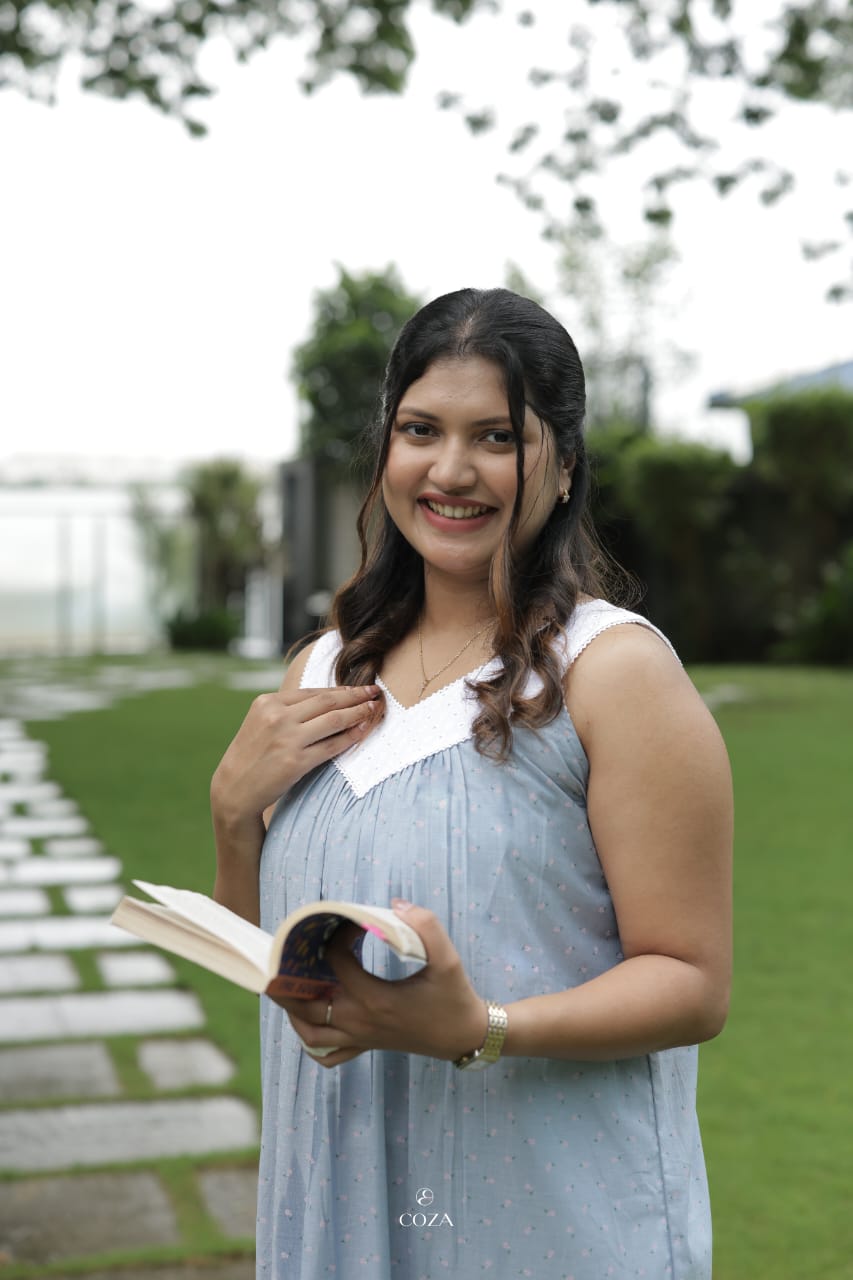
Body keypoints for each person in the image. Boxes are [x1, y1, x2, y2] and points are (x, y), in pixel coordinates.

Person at [211, 287, 733, 1280]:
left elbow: (693, 981)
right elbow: (273, 967)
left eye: (496, 436)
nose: (450, 471)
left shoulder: (610, 671)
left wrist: (484, 1026)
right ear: (386, 449)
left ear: (563, 462)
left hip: (547, 1217)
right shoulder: (321, 670)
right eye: (420, 430)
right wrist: (234, 817)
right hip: (336, 1204)